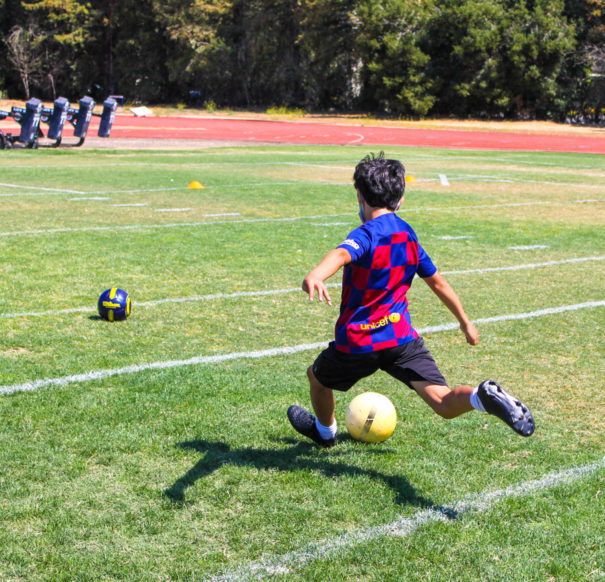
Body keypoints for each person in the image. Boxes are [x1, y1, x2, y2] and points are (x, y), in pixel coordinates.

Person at [287, 152, 534, 447]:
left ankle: (325, 433)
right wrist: (465, 322)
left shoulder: (365, 234)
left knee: (317, 378)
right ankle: (479, 396)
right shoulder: (408, 235)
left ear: (359, 196)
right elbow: (437, 282)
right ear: (400, 199)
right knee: (442, 401)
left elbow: (342, 253)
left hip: (360, 341)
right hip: (400, 339)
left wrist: (316, 274)